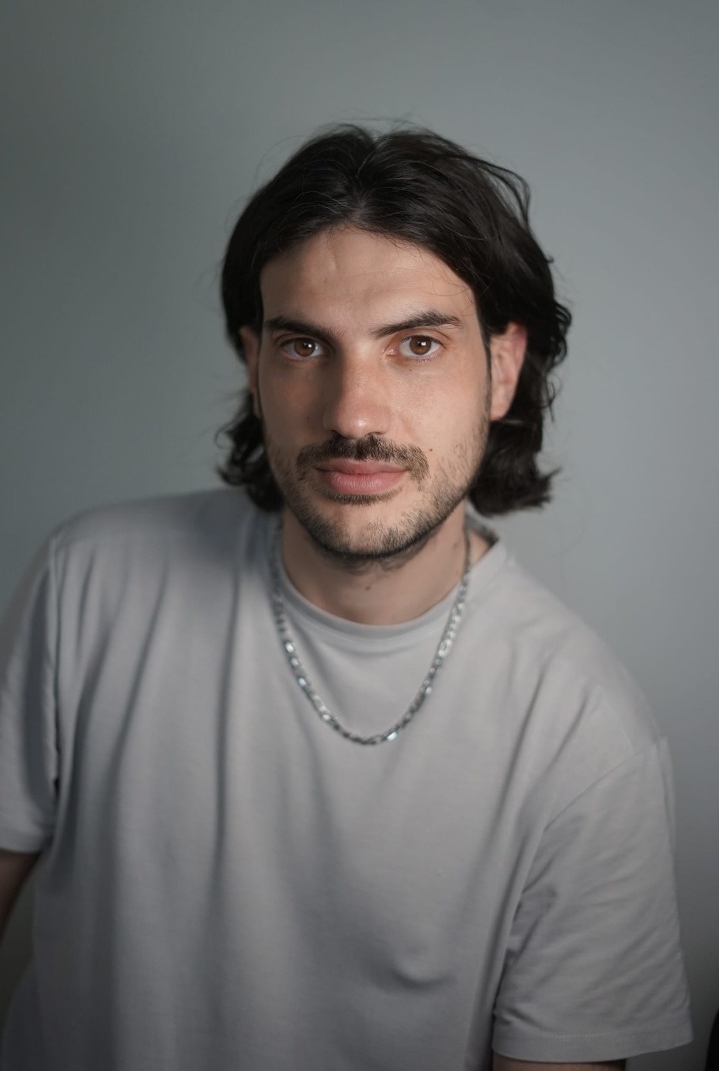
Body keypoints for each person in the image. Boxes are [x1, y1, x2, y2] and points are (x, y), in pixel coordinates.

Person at [0, 126, 692, 1071]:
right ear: (254, 363)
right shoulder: (90, 584)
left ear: (501, 369)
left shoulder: (584, 739)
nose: (352, 412)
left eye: (416, 344)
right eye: (303, 345)